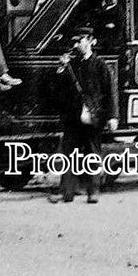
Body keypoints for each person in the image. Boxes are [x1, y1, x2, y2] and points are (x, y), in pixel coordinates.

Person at [49, 28, 118, 204]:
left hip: (93, 117)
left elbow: (110, 93)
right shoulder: (71, 65)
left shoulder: (101, 66)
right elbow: (58, 90)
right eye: (75, 41)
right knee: (69, 154)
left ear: (91, 42)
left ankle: (93, 192)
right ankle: (67, 193)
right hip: (73, 117)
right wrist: (61, 69)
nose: (76, 45)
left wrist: (112, 117)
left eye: (79, 41)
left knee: (92, 154)